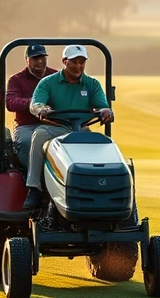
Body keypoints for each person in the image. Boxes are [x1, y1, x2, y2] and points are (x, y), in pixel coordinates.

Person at [23, 44, 114, 209]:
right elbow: (36, 104)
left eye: (82, 62)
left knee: (103, 143)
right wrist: (40, 109)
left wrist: (106, 111)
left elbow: (102, 105)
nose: (79, 66)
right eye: (74, 62)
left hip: (82, 128)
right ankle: (34, 187)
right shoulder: (48, 83)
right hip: (56, 128)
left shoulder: (91, 84)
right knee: (38, 135)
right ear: (65, 61)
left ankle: (101, 185)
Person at [6, 44, 58, 168]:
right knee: (27, 143)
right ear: (27, 60)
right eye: (35, 58)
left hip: (54, 123)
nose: (39, 61)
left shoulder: (55, 76)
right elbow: (11, 102)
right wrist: (35, 104)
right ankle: (30, 178)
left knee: (73, 140)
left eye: (42, 57)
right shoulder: (16, 80)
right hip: (27, 125)